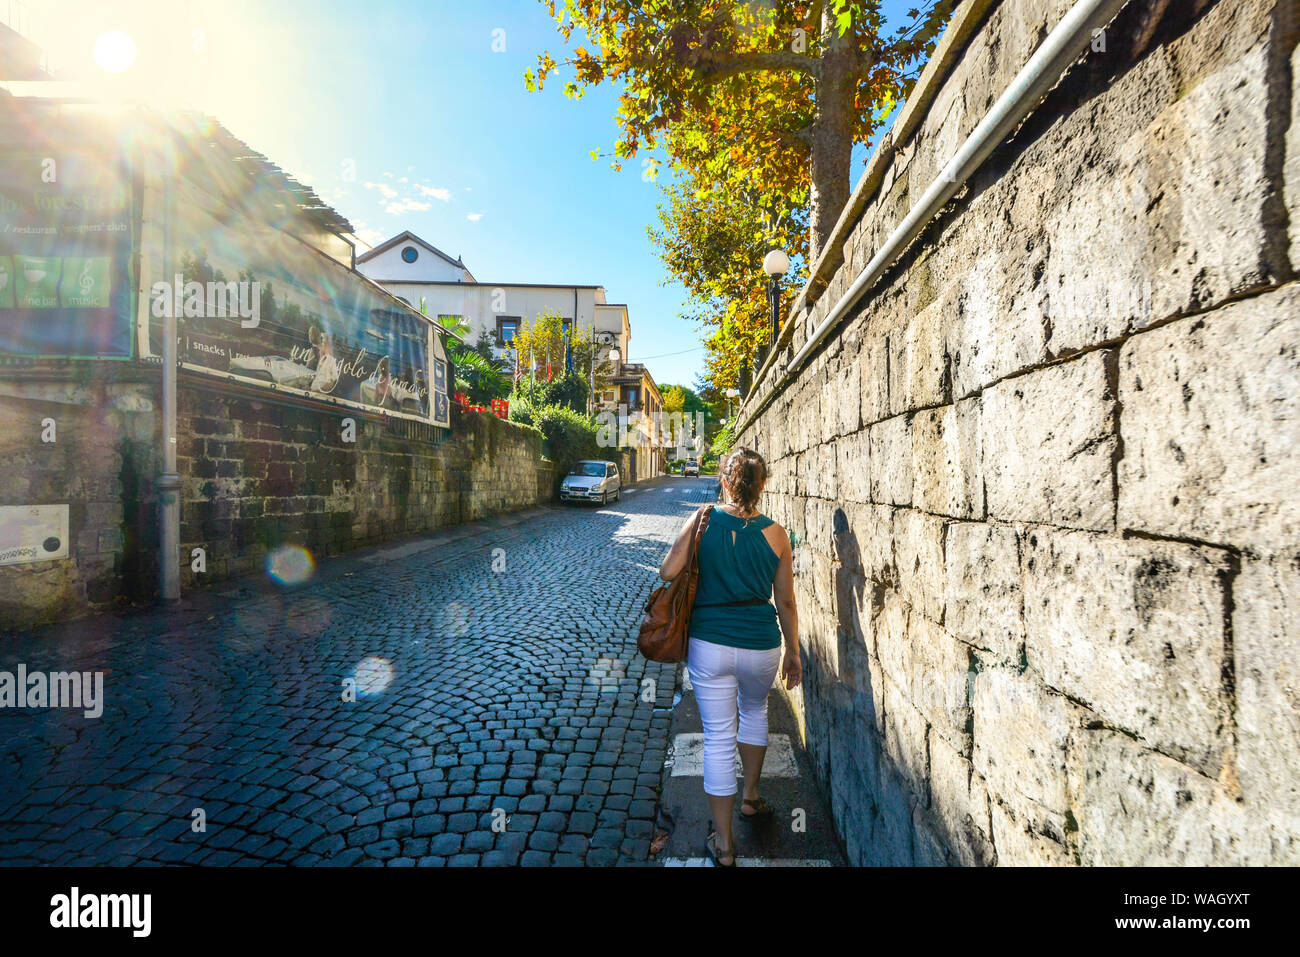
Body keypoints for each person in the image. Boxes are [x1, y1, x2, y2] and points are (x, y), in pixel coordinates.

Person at [657, 447, 802, 867]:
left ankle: (725, 846)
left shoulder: (702, 520)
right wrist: (793, 651)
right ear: (762, 486)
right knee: (755, 713)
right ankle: (752, 798)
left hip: (710, 643)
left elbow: (667, 572)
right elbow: (787, 602)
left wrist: (690, 532)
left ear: (724, 481)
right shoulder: (778, 535)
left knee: (718, 739)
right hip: (760, 643)